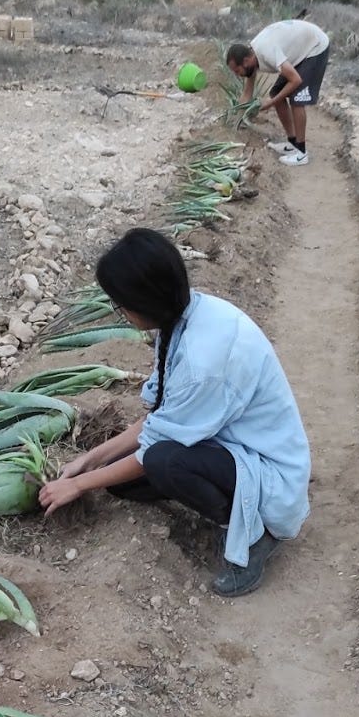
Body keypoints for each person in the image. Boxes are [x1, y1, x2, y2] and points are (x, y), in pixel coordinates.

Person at [38, 229, 311, 598]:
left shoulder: (204, 361)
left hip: (269, 471)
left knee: (163, 462)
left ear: (145, 300)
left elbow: (158, 443)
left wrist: (78, 484)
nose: (120, 314)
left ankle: (253, 536)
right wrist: (88, 462)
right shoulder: (180, 320)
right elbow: (159, 418)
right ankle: (208, 494)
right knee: (119, 477)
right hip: (226, 443)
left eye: (120, 305)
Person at [226, 19, 330, 166]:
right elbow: (247, 92)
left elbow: (295, 80)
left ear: (246, 61)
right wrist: (238, 115)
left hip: (315, 46)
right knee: (276, 93)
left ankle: (301, 153)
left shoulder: (266, 51)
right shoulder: (252, 57)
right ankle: (293, 142)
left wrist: (269, 104)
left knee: (297, 98)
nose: (237, 74)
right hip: (301, 48)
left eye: (237, 70)